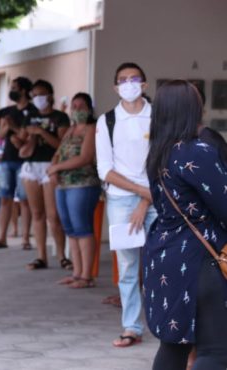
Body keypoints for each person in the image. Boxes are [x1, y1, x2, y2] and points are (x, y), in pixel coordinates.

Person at [144, 80, 227, 369]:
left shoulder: (159, 152)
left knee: (173, 348)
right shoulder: (197, 151)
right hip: (201, 261)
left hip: (166, 258)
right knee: (216, 351)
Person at [95, 62, 157, 348]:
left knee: (162, 264)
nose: (129, 83)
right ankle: (131, 327)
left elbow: (165, 160)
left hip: (157, 197)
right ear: (115, 87)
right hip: (121, 199)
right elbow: (105, 170)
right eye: (123, 79)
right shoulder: (107, 121)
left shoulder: (157, 116)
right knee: (128, 266)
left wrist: (146, 199)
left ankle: (166, 326)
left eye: (134, 78)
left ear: (144, 84)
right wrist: (141, 193)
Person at [15, 80, 70, 271]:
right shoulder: (29, 116)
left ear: (50, 95)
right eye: (35, 95)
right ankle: (41, 256)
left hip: (51, 165)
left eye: (42, 94)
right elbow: (20, 143)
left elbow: (61, 145)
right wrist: (26, 136)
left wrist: (41, 132)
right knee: (36, 213)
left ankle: (62, 255)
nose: (38, 98)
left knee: (53, 215)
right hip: (31, 165)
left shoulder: (60, 117)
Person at [47, 93, 100, 287]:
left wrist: (57, 168)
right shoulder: (70, 130)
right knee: (70, 229)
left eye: (81, 106)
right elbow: (58, 153)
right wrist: (53, 168)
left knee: (82, 228)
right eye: (74, 106)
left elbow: (85, 157)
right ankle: (77, 272)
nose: (77, 110)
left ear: (89, 109)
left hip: (83, 184)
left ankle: (87, 276)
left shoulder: (92, 129)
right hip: (63, 185)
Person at [0, 77, 36, 250]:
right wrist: (6, 126)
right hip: (7, 160)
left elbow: (26, 135)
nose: (12, 90)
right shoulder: (7, 111)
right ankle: (1, 237)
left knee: (24, 200)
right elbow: (0, 136)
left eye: (14, 87)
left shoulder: (32, 111)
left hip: (24, 161)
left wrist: (14, 127)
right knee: (5, 199)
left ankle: (26, 238)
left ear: (23, 90)